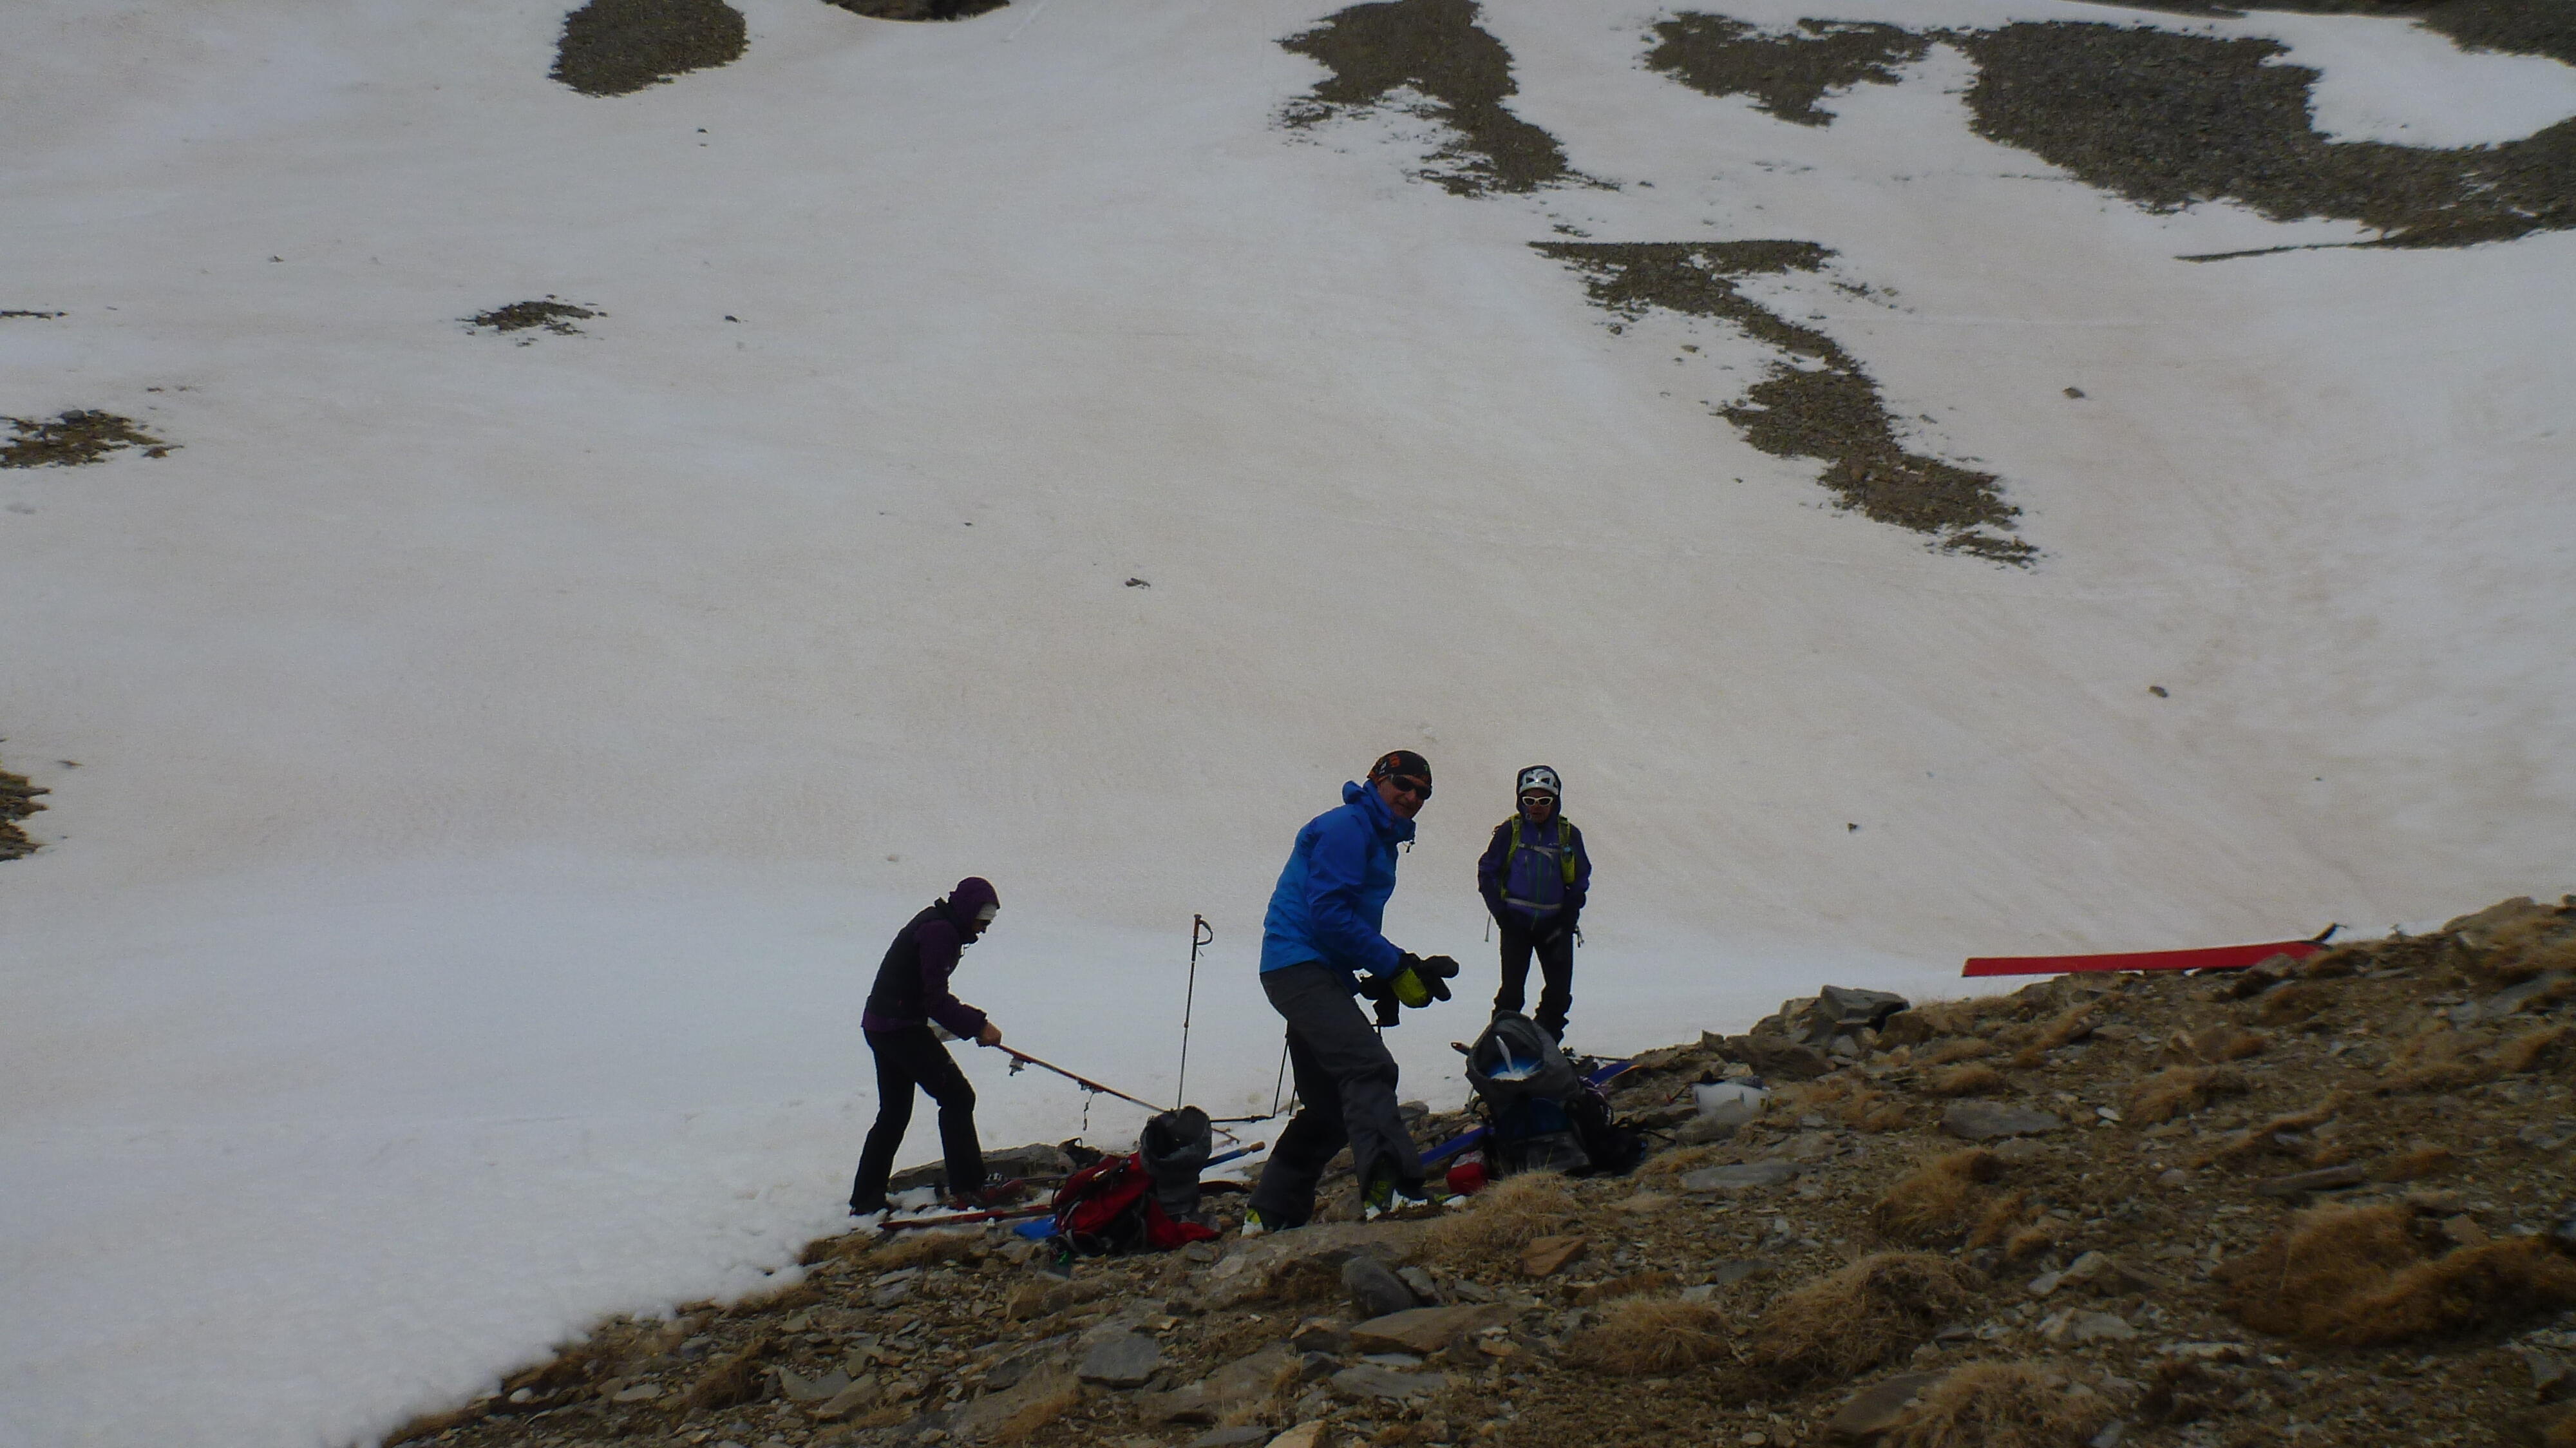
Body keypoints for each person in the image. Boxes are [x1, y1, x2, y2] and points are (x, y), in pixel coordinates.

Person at [1244, 751, 1461, 1234]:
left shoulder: (1375, 836)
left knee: (1329, 1108)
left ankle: (1269, 1214)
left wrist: (1388, 971)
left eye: (1423, 792)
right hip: (1299, 967)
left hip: (1308, 970)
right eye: (1403, 784)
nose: (1413, 797)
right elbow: (1330, 915)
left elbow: (1342, 922)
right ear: (1376, 781)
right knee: (1368, 1068)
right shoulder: (1348, 828)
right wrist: (1393, 965)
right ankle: (1393, 1193)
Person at [849, 876, 1007, 1217]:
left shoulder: (937, 922)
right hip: (900, 1029)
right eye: (982, 921)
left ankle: (866, 1199)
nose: (983, 930)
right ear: (968, 911)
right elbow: (934, 999)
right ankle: (969, 1188)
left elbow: (923, 994)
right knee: (958, 1098)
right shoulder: (941, 932)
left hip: (881, 1025)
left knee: (893, 1114)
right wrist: (978, 1025)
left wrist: (960, 1025)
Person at [1477, 765, 1590, 1043]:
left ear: (1555, 801)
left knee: (1559, 994)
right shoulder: (1510, 831)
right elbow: (1487, 872)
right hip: (1516, 924)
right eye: (1529, 800)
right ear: (1520, 800)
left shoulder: (1568, 834)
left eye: (1544, 800)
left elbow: (1580, 877)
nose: (1536, 806)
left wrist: (1568, 917)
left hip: (1555, 927)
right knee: (1512, 994)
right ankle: (1500, 1046)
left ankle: (1544, 1045)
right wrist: (1502, 915)